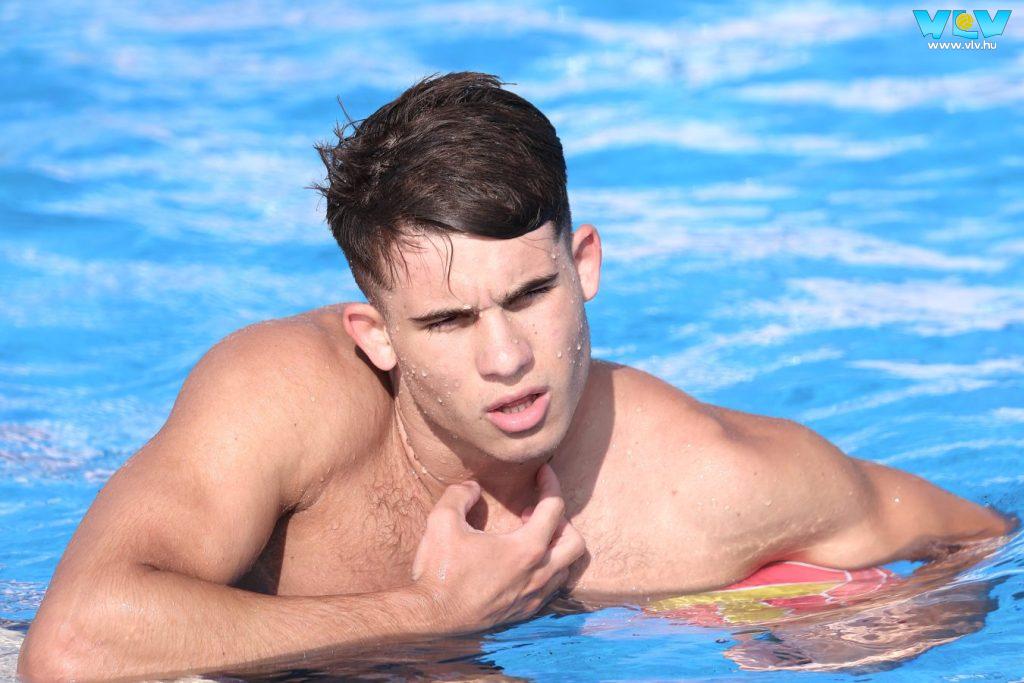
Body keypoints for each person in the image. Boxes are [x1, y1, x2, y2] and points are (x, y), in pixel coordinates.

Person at [18, 71, 1015, 681]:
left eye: (531, 294)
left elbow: (980, 543)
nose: (506, 359)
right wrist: (427, 617)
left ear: (585, 264)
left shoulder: (708, 481)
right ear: (376, 334)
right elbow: (71, 647)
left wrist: (892, 622)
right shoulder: (282, 400)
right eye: (447, 321)